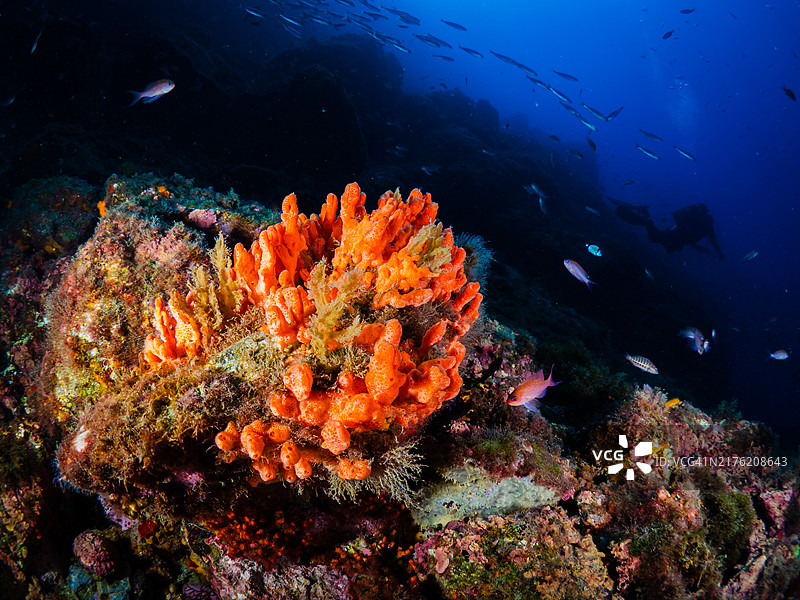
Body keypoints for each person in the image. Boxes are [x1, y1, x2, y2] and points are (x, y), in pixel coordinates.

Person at [612, 200, 724, 259]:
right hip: (677, 233)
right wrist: (719, 254)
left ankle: (646, 218)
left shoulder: (703, 223)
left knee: (667, 248)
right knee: (655, 238)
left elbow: (701, 237)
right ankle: (646, 217)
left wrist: (695, 244)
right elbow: (713, 241)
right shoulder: (707, 224)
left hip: (679, 234)